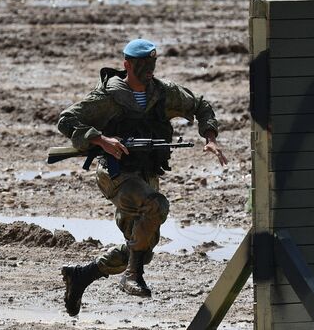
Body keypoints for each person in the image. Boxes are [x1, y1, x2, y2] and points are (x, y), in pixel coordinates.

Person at [57, 38, 227, 316]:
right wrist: (102, 140)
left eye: (152, 64)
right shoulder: (108, 97)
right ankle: (131, 276)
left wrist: (210, 137)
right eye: (142, 65)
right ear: (127, 65)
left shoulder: (163, 93)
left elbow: (200, 105)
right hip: (116, 174)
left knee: (142, 247)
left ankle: (83, 275)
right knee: (156, 206)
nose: (149, 71)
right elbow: (66, 120)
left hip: (147, 175)